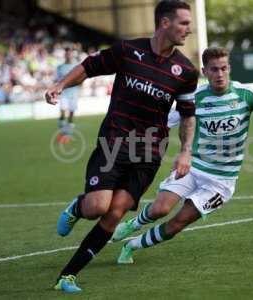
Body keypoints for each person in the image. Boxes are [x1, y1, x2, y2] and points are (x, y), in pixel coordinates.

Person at [45, 0, 198, 293]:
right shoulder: (128, 51)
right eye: (183, 23)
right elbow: (88, 67)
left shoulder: (187, 71)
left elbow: (188, 114)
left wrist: (186, 150)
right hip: (114, 143)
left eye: (189, 24)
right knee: (97, 207)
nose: (188, 30)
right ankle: (79, 206)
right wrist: (60, 85)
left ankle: (68, 275)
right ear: (164, 23)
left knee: (115, 213)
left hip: (150, 153)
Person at [111, 47, 253, 265]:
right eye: (214, 70)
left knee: (178, 223)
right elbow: (162, 122)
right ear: (205, 72)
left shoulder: (247, 95)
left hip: (221, 182)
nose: (220, 74)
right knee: (160, 209)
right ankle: (135, 223)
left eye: (224, 68)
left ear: (229, 68)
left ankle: (132, 245)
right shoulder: (195, 98)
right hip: (194, 167)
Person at [56, 47, 80, 144]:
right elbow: (58, 81)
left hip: (73, 94)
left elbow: (80, 78)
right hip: (64, 94)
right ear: (65, 55)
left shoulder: (76, 66)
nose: (68, 55)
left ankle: (68, 134)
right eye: (67, 53)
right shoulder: (60, 67)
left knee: (71, 115)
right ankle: (63, 133)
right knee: (62, 113)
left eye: (70, 53)